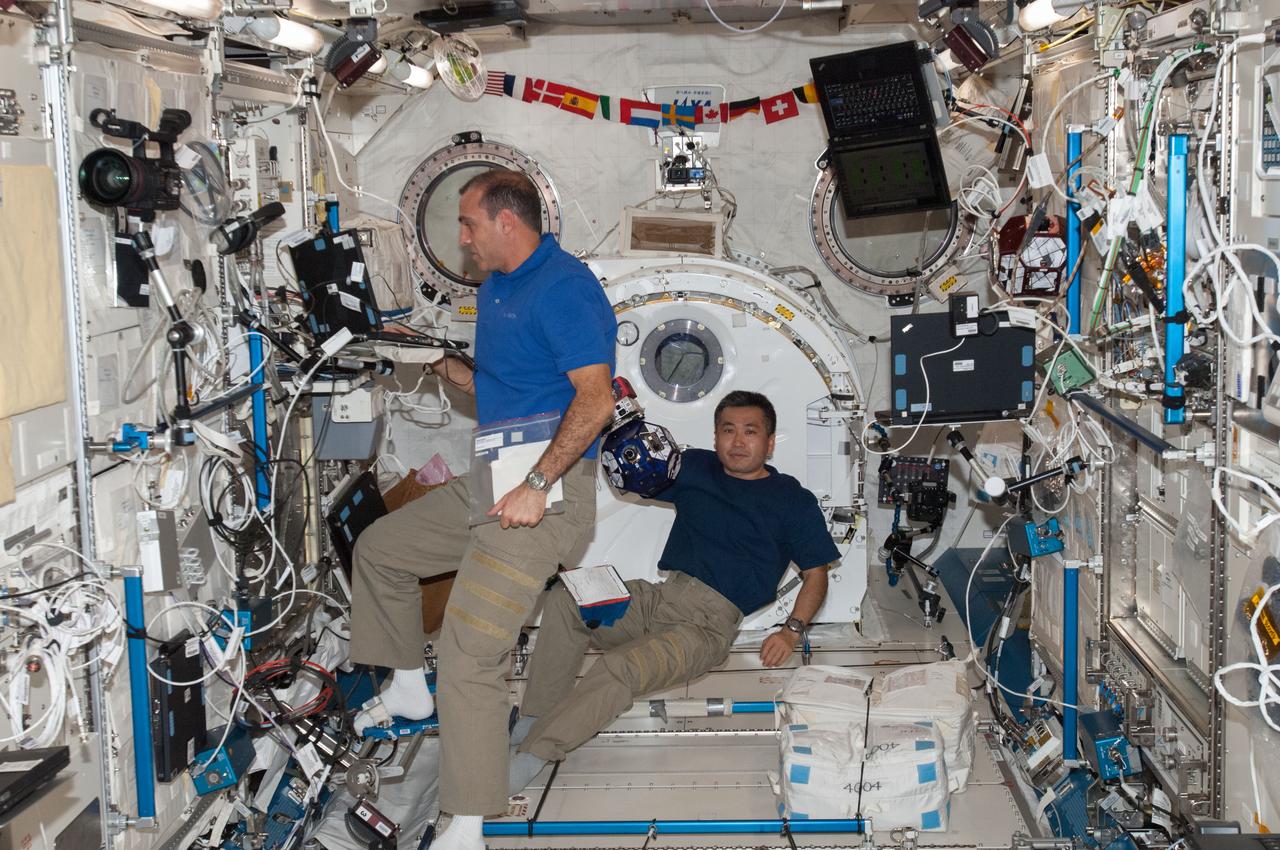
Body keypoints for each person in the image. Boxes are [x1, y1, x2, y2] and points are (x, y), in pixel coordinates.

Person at [347, 169, 617, 850]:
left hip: (544, 497)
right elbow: (501, 387)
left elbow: (596, 400)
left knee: (471, 653)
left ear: (507, 221)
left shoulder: (565, 290)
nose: (461, 240)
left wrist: (536, 483)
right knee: (379, 549)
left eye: (468, 225)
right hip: (491, 477)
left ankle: (466, 822)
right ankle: (409, 688)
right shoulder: (497, 288)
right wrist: (434, 356)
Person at [507, 390, 839, 793]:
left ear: (769, 443)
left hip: (706, 627)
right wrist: (616, 428)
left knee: (619, 669)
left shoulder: (793, 501)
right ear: (715, 437)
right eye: (728, 430)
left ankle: (534, 755)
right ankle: (533, 717)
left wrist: (792, 630)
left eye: (750, 432)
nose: (737, 441)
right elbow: (634, 474)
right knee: (567, 599)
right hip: (660, 598)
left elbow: (816, 574)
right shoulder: (695, 465)